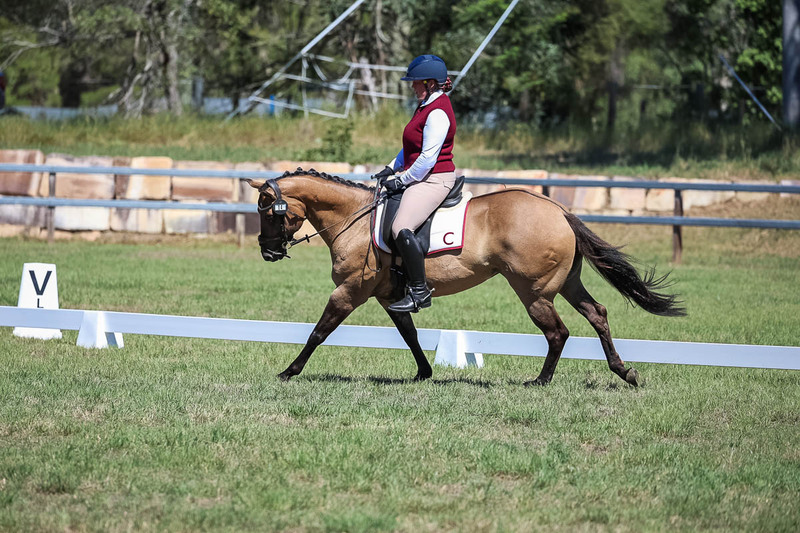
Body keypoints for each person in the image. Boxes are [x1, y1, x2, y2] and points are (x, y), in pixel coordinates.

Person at [374, 54, 458, 313]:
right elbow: (411, 146)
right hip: (421, 175)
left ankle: (420, 291)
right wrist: (391, 166)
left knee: (401, 226)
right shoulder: (425, 105)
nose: (412, 86)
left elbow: (426, 159)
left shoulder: (438, 112)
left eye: (416, 82)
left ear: (431, 83)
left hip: (434, 178)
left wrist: (400, 180)